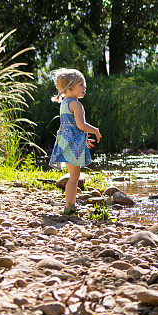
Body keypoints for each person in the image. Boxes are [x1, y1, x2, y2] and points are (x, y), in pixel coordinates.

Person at [49, 68, 101, 216]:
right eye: (81, 85)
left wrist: (83, 138)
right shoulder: (76, 105)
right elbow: (80, 125)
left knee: (73, 176)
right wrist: (95, 130)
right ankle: (69, 206)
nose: (85, 87)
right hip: (72, 144)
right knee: (74, 178)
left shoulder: (64, 103)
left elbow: (71, 127)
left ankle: (70, 205)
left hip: (66, 141)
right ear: (70, 88)